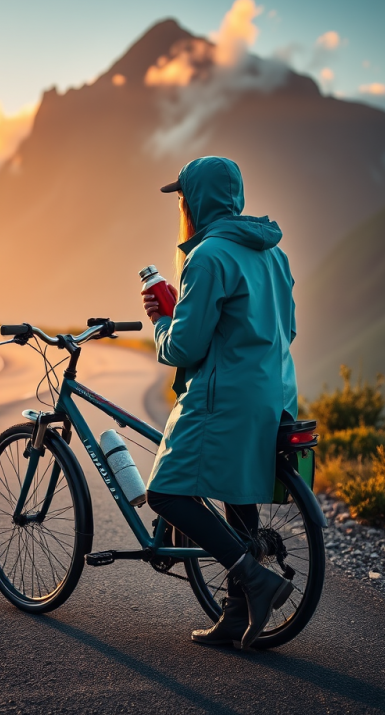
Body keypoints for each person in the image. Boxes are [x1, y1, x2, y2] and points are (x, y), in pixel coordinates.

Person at [141, 155, 298, 650]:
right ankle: (235, 614)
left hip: (223, 396)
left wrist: (161, 324)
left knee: (165, 492)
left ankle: (254, 578)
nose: (182, 206)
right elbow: (287, 327)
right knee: (238, 496)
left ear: (197, 200)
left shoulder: (208, 257)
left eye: (183, 197)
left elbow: (186, 347)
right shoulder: (273, 254)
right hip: (273, 392)